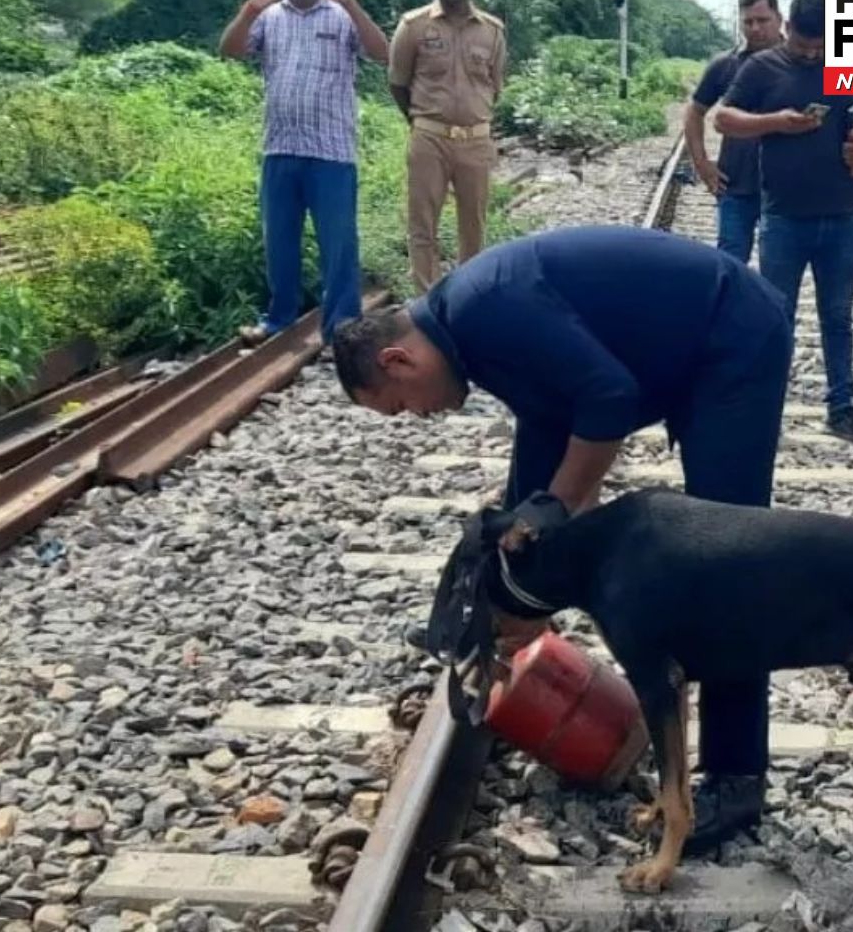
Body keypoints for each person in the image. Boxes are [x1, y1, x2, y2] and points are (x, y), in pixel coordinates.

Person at [331, 223, 795, 853]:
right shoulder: (466, 333)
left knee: (726, 558)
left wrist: (562, 503)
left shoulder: (484, 309)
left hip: (731, 338)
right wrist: (513, 573)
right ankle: (498, 642)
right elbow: (551, 417)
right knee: (526, 520)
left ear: (397, 360)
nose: (419, 415)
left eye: (401, 405)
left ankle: (736, 778)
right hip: (682, 349)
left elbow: (608, 397)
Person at [714, 0, 853, 446]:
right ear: (788, 28)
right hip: (784, 219)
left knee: (838, 318)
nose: (813, 54)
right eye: (804, 45)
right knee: (778, 318)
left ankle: (842, 408)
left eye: (821, 46)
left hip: (842, 216)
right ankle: (764, 409)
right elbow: (723, 119)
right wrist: (775, 122)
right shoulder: (761, 67)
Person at [220, 0, 391, 346]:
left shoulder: (341, 15)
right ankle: (279, 320)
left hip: (331, 151)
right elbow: (230, 50)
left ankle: (341, 327)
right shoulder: (268, 16)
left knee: (338, 244)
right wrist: (250, 7)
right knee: (279, 242)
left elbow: (383, 53)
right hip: (280, 148)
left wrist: (348, 0)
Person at [388, 0, 507, 291]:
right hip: (429, 138)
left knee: (474, 224)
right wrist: (422, 122)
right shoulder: (413, 26)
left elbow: (494, 85)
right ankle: (427, 298)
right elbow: (398, 83)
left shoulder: (492, 31)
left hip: (476, 140)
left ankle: (467, 297)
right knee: (422, 224)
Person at [684, 0, 784, 262]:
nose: (755, 28)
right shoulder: (725, 64)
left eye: (762, 20)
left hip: (785, 190)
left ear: (779, 19)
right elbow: (694, 111)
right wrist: (702, 164)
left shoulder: (799, 62)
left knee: (777, 268)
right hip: (735, 184)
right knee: (730, 263)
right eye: (748, 22)